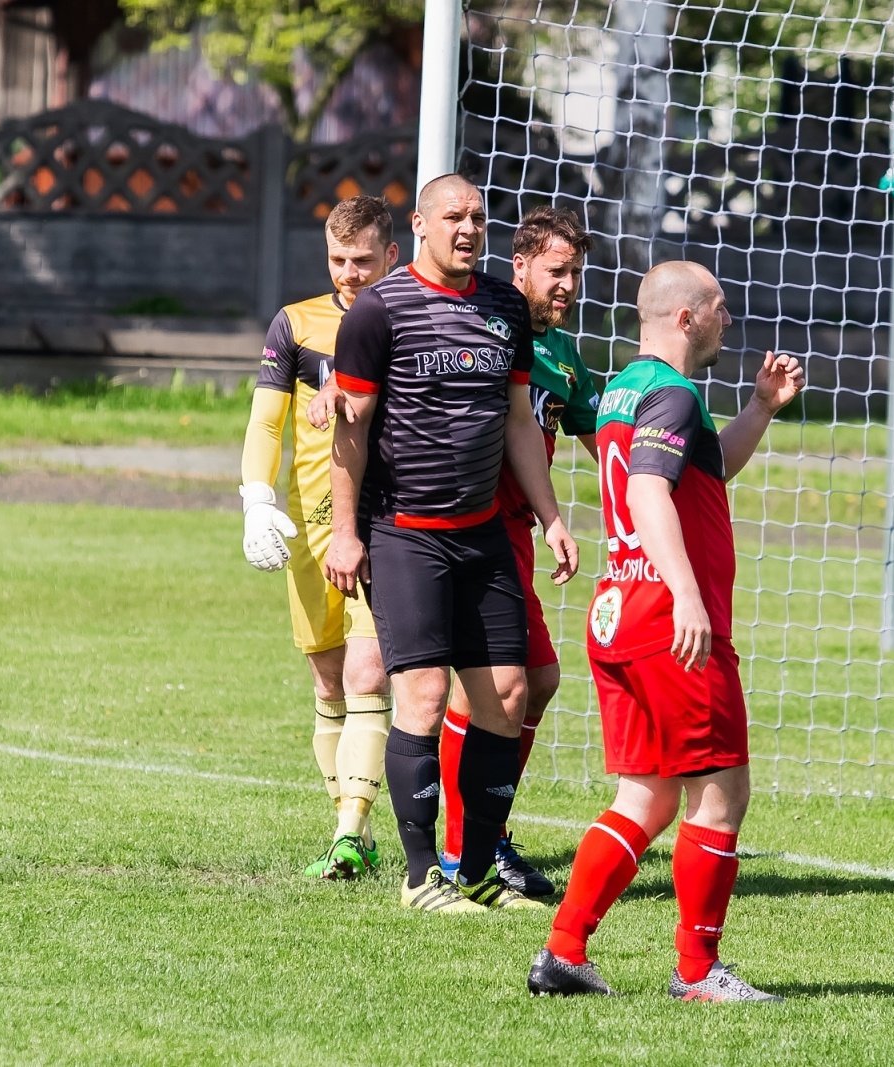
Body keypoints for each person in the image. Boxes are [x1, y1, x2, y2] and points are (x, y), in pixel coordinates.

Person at [527, 261, 805, 1001]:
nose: (728, 320)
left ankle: (563, 952)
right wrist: (688, 596)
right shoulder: (675, 394)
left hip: (620, 611)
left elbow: (697, 474)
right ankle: (697, 971)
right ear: (686, 318)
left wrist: (758, 410)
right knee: (721, 793)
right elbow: (650, 488)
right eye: (719, 307)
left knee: (645, 799)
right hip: (668, 620)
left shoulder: (628, 388)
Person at [325, 174, 580, 913]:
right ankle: (418, 876)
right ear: (421, 223)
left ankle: (475, 871)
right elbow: (352, 427)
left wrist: (552, 515)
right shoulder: (380, 310)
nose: (468, 228)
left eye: (477, 216)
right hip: (405, 535)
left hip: (482, 536)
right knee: (425, 694)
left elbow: (516, 422)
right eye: (452, 216)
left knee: (507, 693)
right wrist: (345, 534)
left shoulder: (504, 308)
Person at [437, 206, 600, 898]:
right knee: (505, 685)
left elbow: (605, 435)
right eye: (557, 271)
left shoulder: (562, 356)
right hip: (466, 529)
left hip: (518, 536)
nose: (567, 286)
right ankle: (462, 848)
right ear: (521, 266)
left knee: (534, 681)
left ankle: (485, 832)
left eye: (576, 274)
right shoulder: (481, 324)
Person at [239, 195, 399, 879]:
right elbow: (267, 423)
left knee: (369, 671)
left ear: (391, 255)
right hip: (309, 529)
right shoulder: (296, 325)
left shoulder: (406, 318)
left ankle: (348, 828)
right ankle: (351, 833)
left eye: (362, 259)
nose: (350, 273)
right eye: (338, 259)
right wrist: (255, 498)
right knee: (328, 680)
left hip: (383, 523)